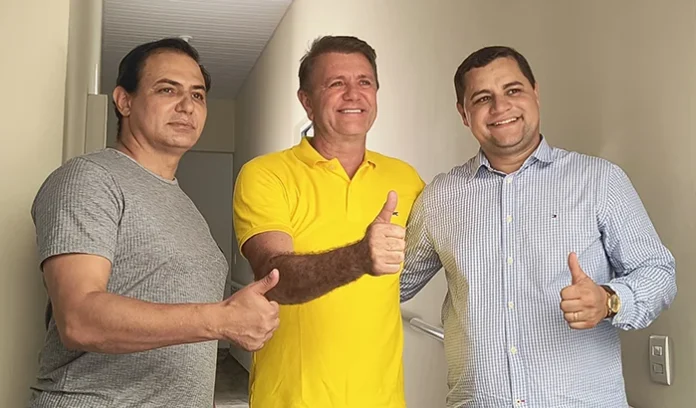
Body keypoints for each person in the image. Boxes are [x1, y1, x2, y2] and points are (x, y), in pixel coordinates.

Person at [400, 45, 677, 408]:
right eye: (482, 98)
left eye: (512, 90)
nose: (500, 107)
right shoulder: (440, 197)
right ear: (463, 114)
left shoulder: (599, 180)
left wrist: (610, 299)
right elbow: (392, 287)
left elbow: (659, 272)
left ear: (535, 93)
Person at [28, 38, 280, 408]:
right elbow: (78, 319)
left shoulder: (185, 206)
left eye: (197, 95)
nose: (187, 106)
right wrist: (221, 320)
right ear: (124, 101)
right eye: (167, 90)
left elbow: (190, 354)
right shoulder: (89, 179)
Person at [233, 35, 424, 408]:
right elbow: (275, 278)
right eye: (336, 83)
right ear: (307, 101)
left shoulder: (406, 179)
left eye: (364, 82)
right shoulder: (266, 174)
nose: (353, 94)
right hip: (291, 399)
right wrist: (359, 257)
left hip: (382, 400)